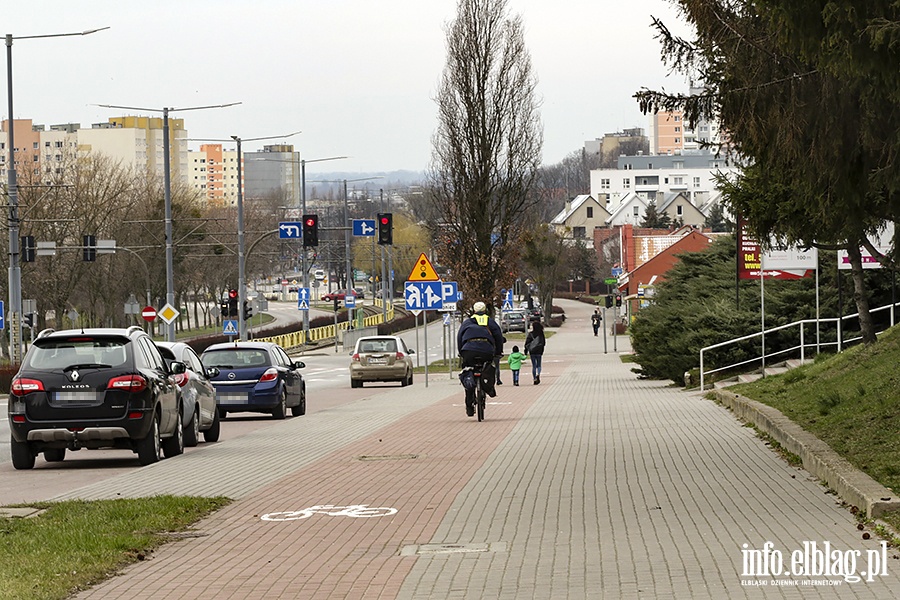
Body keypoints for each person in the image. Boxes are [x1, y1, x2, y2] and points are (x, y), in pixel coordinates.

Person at [457, 301, 504, 416]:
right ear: (485, 311)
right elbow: (498, 337)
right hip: (486, 351)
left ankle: (469, 405)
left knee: (468, 371)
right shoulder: (490, 322)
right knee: (489, 367)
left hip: (468, 351)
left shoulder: (467, 323)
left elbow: (459, 338)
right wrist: (498, 352)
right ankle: (489, 388)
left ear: (473, 311)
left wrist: (461, 352)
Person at [524, 320, 546, 385]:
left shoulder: (531, 334)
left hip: (532, 351)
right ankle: (538, 374)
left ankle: (534, 378)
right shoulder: (541, 334)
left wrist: (526, 350)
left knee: (534, 365)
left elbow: (527, 343)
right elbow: (543, 343)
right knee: (539, 365)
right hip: (539, 351)